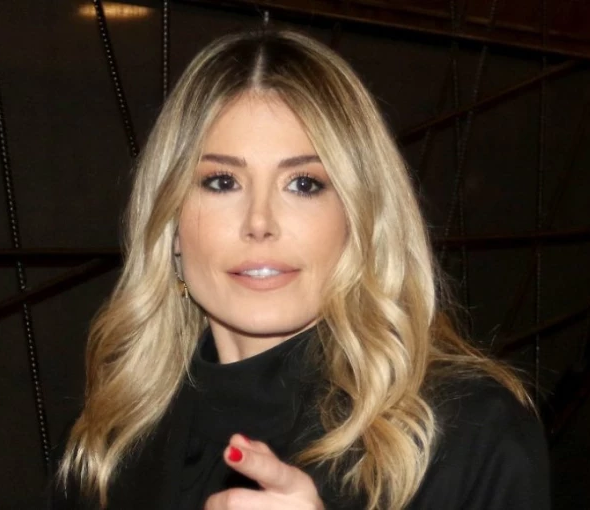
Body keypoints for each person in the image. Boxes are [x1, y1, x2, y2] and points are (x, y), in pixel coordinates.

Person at [50, 29, 550, 510]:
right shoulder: (104, 448)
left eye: (304, 184)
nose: (259, 223)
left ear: (359, 219)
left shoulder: (468, 433)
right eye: (222, 182)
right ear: (172, 225)